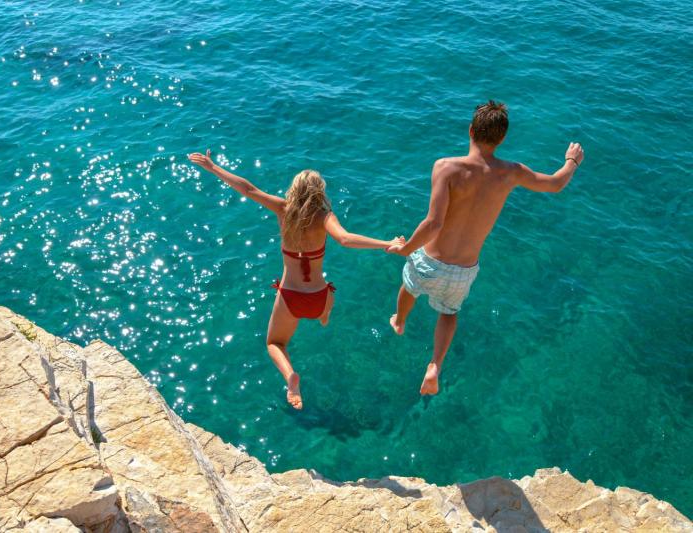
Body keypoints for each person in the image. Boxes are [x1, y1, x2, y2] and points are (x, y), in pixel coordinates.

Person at [387, 101, 584, 395]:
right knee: (449, 313)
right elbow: (555, 184)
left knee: (409, 286)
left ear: (470, 130)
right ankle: (435, 365)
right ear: (502, 139)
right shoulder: (512, 172)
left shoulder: (446, 167)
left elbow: (433, 223)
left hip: (431, 260)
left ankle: (400, 321)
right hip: (464, 270)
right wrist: (571, 161)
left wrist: (407, 249)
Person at [188, 149, 403, 409]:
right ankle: (324, 317)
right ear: (319, 192)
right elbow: (346, 239)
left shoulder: (283, 209)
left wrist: (213, 167)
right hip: (319, 298)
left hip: (290, 298)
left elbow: (248, 189)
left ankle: (291, 376)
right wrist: (387, 243)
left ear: (295, 189)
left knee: (274, 343)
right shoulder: (325, 217)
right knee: (328, 295)